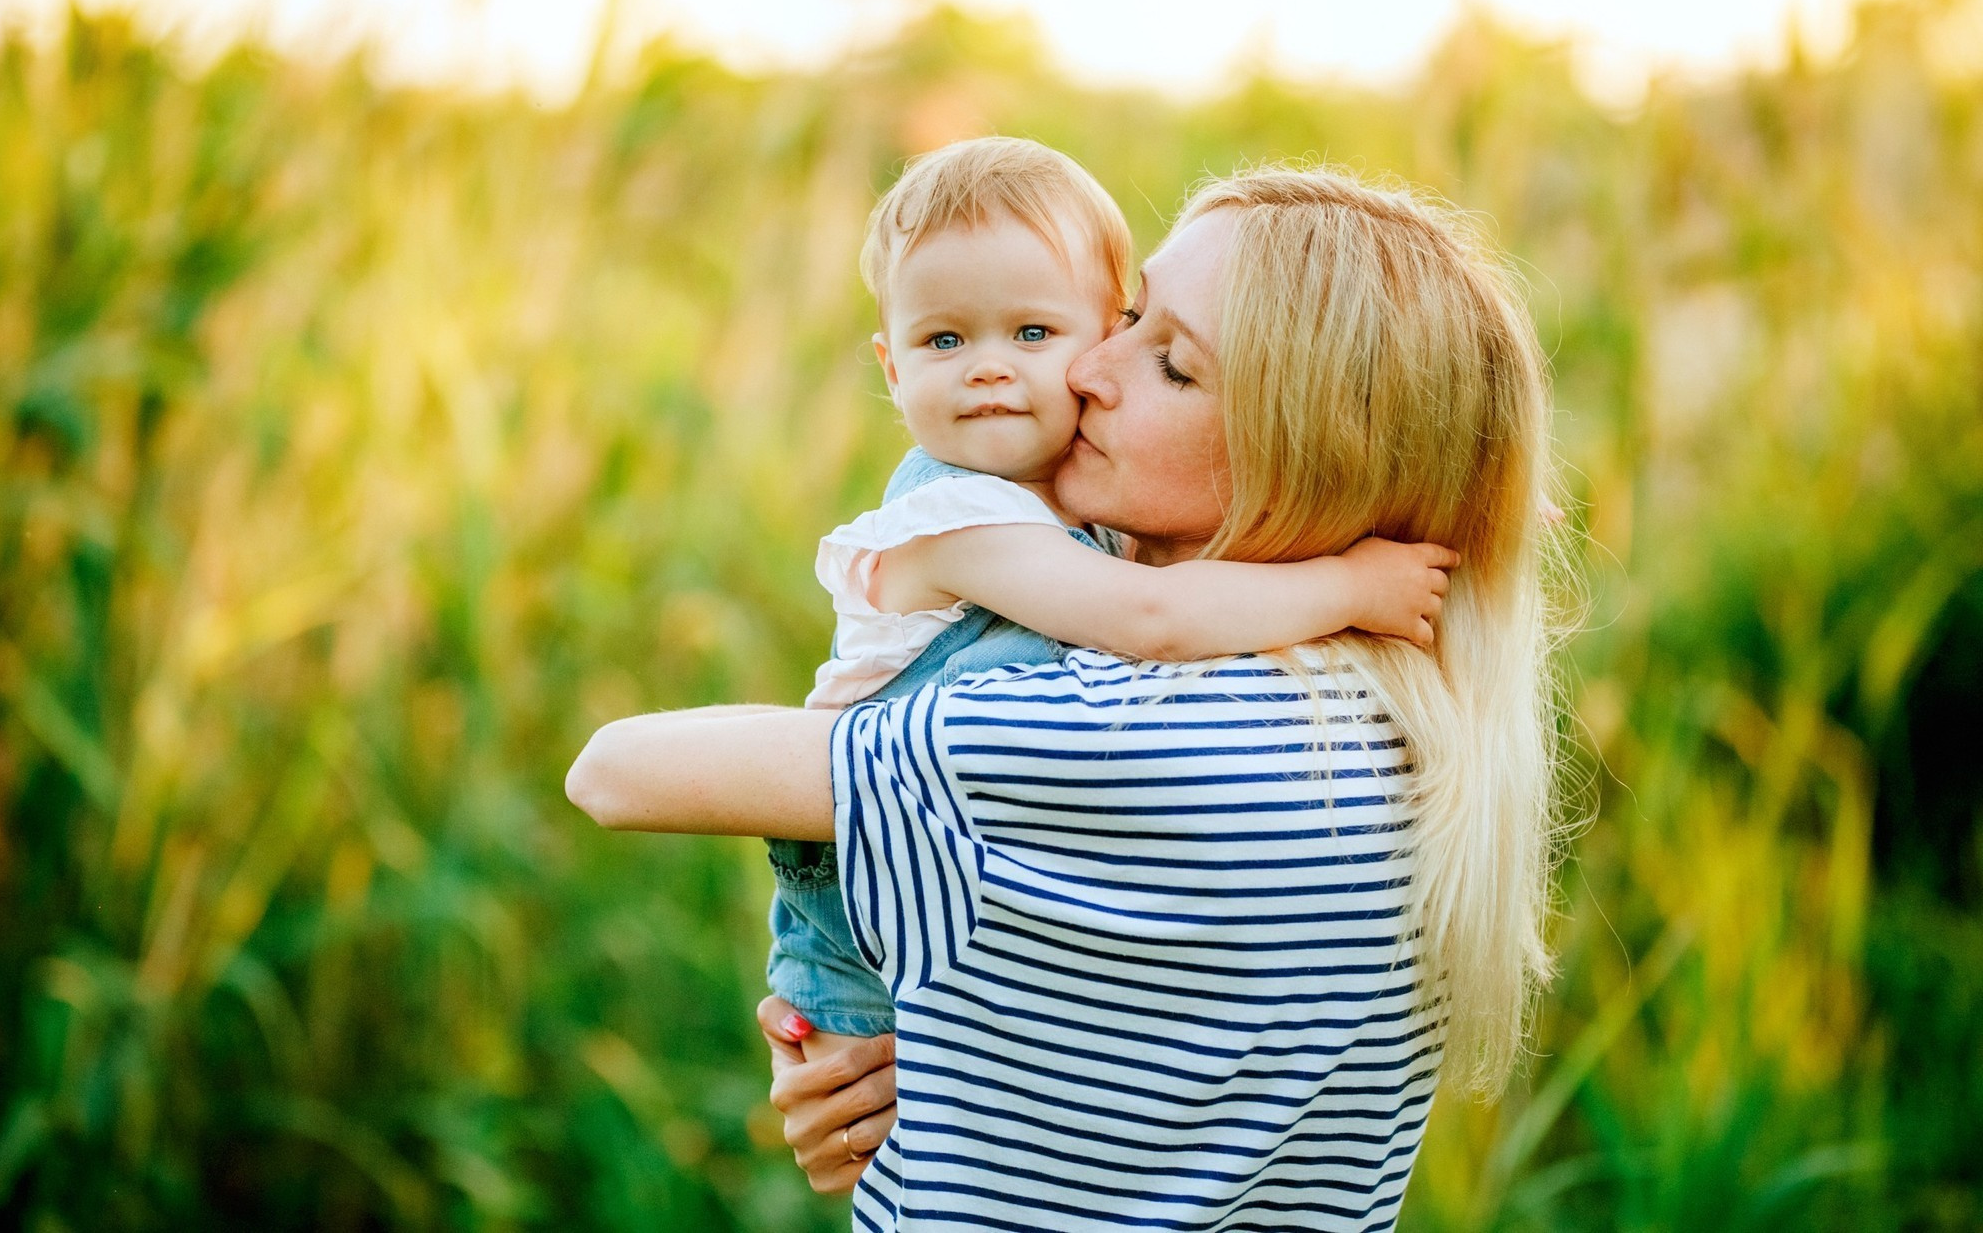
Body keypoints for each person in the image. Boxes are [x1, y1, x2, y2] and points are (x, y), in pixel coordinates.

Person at [568, 165, 1565, 1231]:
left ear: (1311, 458)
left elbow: (612, 772)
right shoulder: (1408, 737)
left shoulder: (1107, 733)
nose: (1089, 367)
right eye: (1128, 313)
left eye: (1170, 361)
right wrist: (914, 1064)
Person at [767, 136, 1457, 1068]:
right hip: (864, 914)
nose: (988, 368)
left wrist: (1460, 494)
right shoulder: (959, 517)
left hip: (948, 878)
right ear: (892, 370)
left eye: (1035, 335)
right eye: (944, 340)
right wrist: (1350, 584)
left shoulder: (1070, 493)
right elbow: (1152, 618)